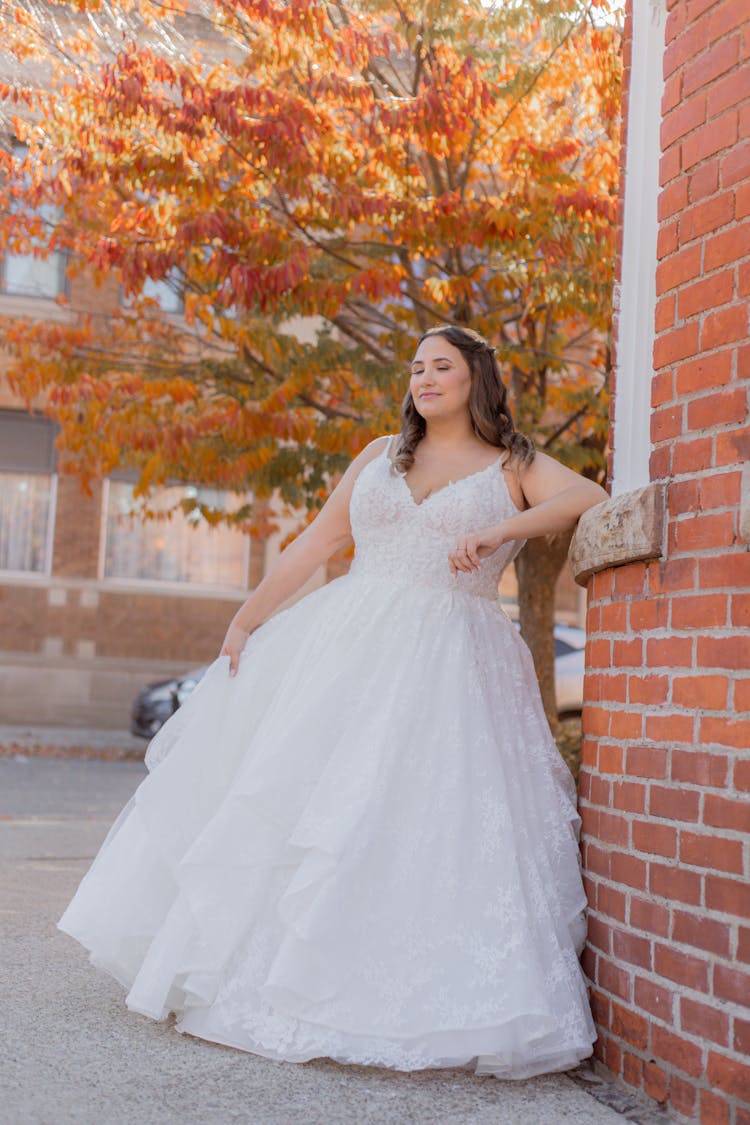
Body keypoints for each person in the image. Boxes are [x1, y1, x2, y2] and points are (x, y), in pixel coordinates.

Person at [58, 324, 609, 1080]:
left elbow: (588, 495)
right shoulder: (381, 455)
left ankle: (405, 999)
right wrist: (248, 615)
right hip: (347, 644)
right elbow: (316, 544)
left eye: (441, 365)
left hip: (452, 662)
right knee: (305, 808)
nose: (423, 377)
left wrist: (498, 529)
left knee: (414, 819)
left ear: (477, 378)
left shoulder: (511, 464)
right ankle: (270, 981)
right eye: (416, 366)